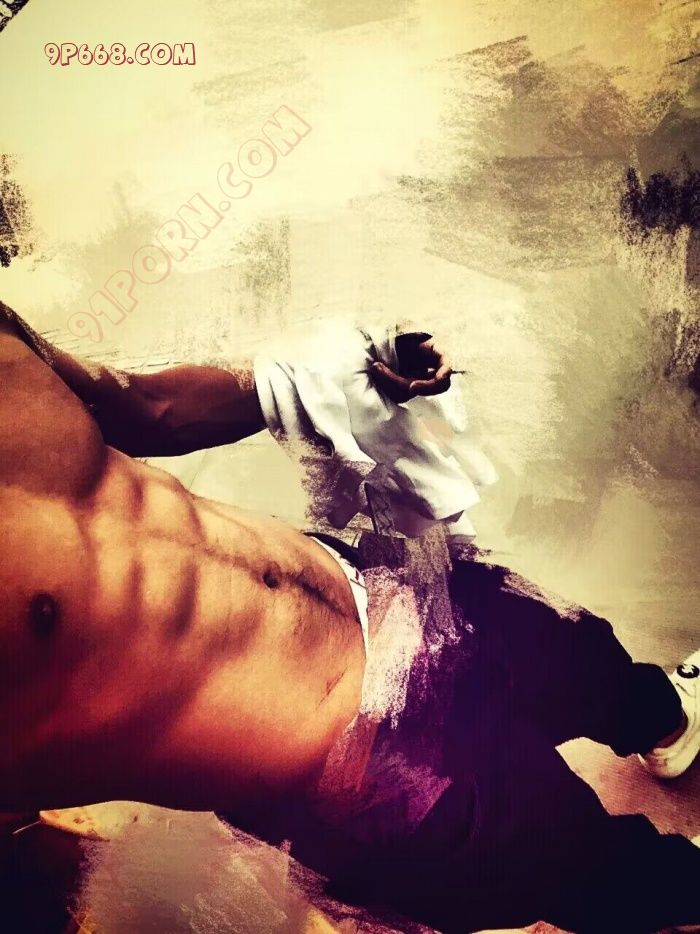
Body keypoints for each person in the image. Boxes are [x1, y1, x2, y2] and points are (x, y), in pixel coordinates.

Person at [0, 300, 698, 934]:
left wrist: (320, 378)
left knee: (585, 662)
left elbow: (143, 408)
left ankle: (670, 727)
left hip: (381, 586)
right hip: (363, 768)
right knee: (577, 865)